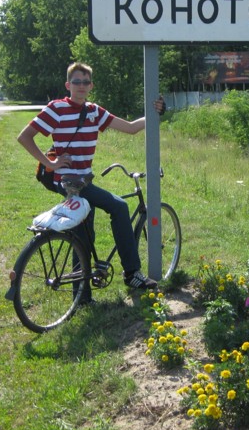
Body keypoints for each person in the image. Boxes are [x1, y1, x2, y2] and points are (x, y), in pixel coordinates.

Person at [17, 62, 166, 299]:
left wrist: (155, 113)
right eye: (76, 82)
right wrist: (50, 163)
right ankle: (131, 273)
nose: (81, 86)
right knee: (119, 207)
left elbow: (130, 128)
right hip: (67, 181)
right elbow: (24, 137)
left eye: (85, 82)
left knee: (83, 233)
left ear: (91, 86)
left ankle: (82, 296)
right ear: (68, 85)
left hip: (84, 182)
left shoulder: (94, 111)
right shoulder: (56, 108)